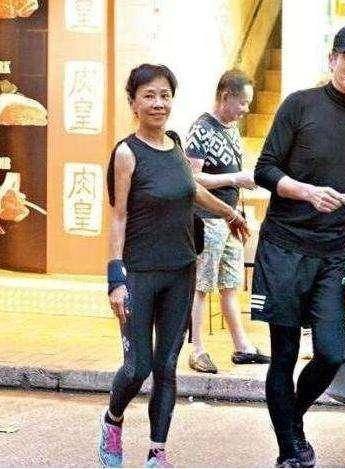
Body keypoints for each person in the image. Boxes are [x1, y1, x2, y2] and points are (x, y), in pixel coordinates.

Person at [99, 63, 249, 468]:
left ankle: (157, 452)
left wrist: (230, 214)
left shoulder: (177, 143)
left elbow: (191, 189)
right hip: (139, 275)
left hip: (181, 272)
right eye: (148, 95)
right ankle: (112, 420)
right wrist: (115, 278)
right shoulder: (127, 153)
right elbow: (118, 217)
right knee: (137, 367)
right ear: (133, 102)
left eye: (164, 95)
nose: (158, 103)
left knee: (166, 366)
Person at [250, 26, 345, 468]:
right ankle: (289, 449)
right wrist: (307, 192)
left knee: (330, 354)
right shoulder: (299, 105)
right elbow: (264, 170)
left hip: (331, 255)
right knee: (285, 355)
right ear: (332, 60)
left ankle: (291, 421)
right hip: (284, 248)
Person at [185, 69, 270, 374]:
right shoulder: (201, 128)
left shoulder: (231, 129)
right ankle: (196, 349)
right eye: (243, 102)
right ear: (225, 97)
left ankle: (242, 346)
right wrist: (235, 178)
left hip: (230, 218)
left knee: (230, 285)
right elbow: (192, 178)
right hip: (208, 219)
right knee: (201, 285)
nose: (245, 109)